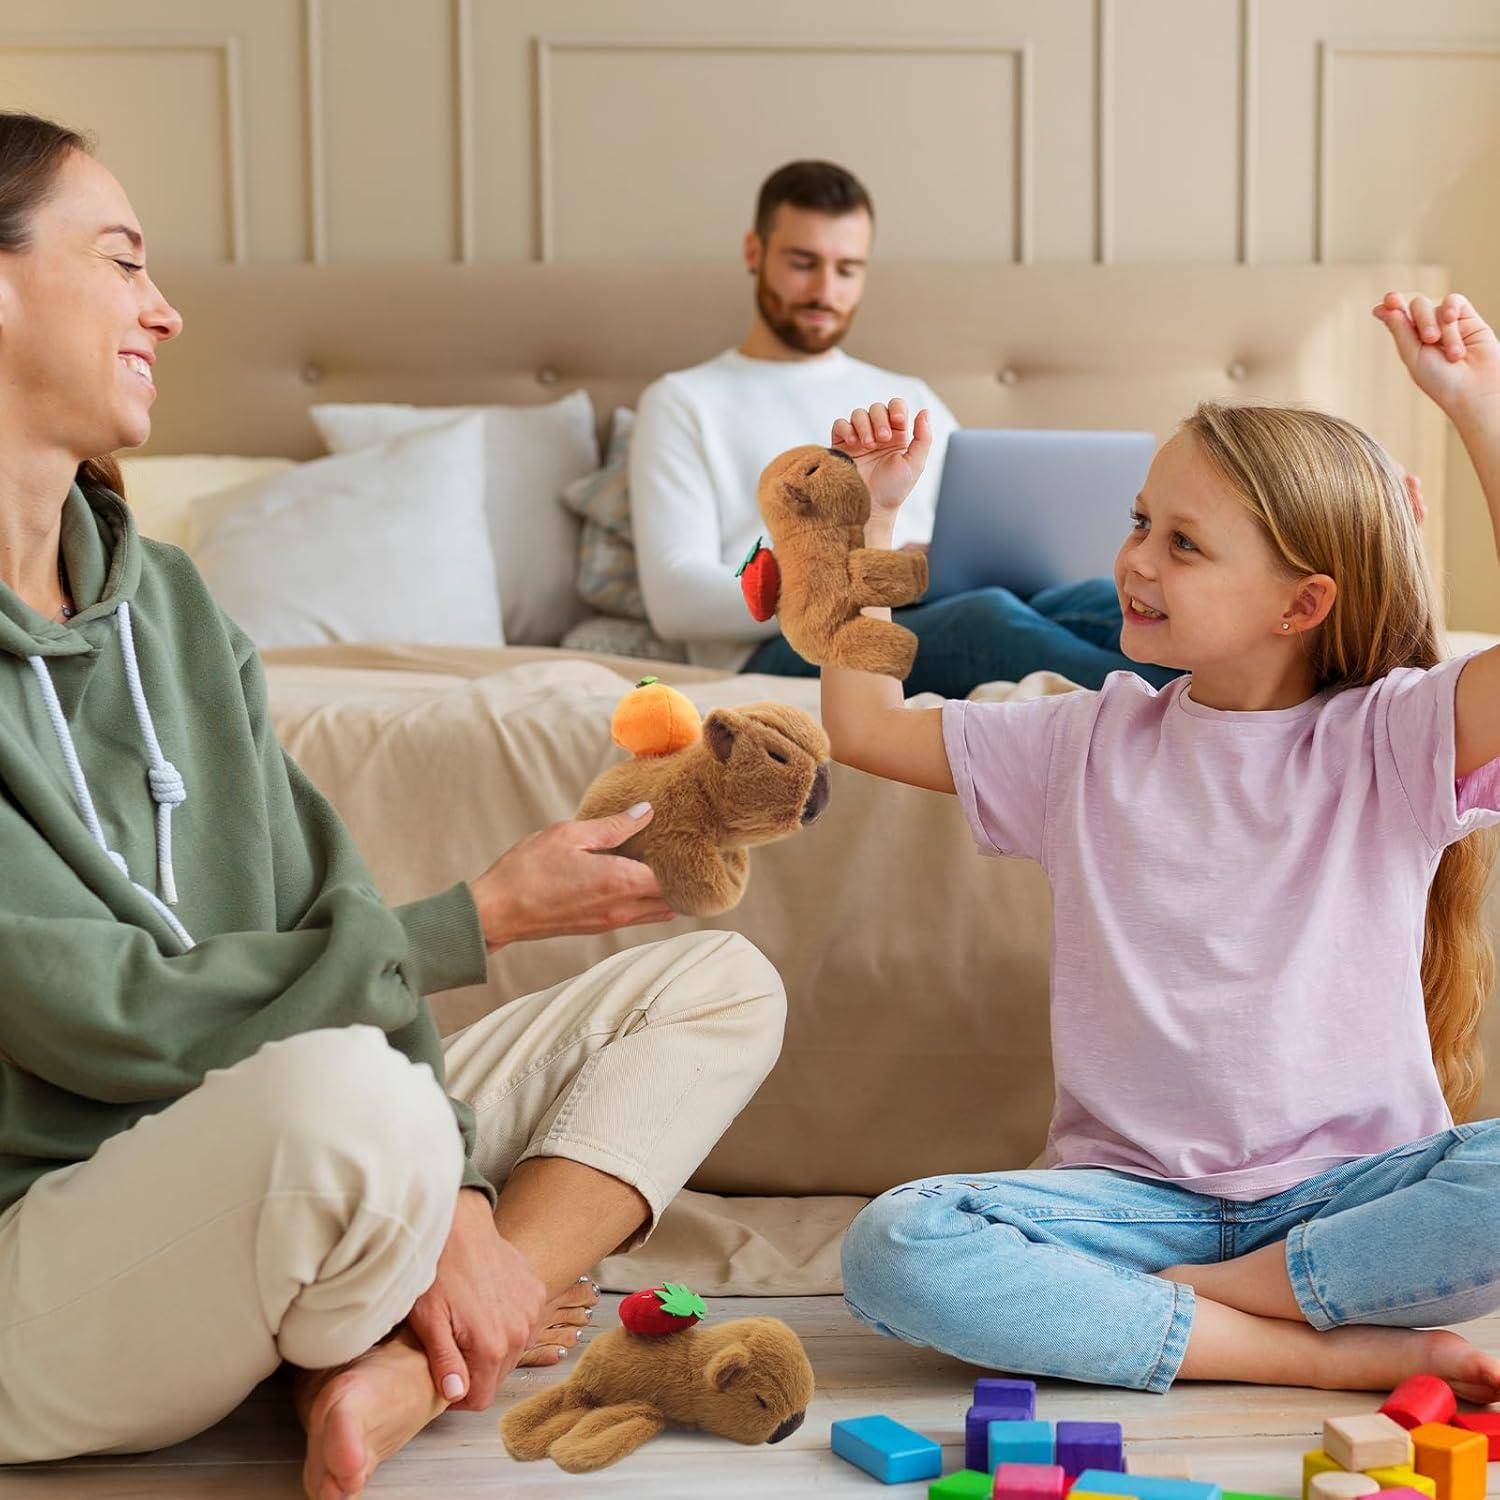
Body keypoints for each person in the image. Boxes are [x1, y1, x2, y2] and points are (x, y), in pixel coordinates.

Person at [0, 113, 787, 1500]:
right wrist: (474, 919)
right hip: (56, 1251)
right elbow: (90, 1009)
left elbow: (326, 909)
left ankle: (411, 1360)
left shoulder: (168, 605)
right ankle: (408, 1298)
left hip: (274, 1148)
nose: (166, 311)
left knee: (720, 985)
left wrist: (472, 1205)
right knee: (348, 1100)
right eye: (122, 262)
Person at [820, 290, 1500, 1397]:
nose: (1137, 561)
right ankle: (1307, 1354)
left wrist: (1480, 403)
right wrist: (874, 526)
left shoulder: (1390, 737)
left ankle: (1229, 1300)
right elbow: (860, 727)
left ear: (1301, 603)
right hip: (1137, 1209)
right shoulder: (1084, 740)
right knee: (897, 1245)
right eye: (1141, 523)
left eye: (1184, 544)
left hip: (1354, 1198)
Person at [630, 159, 1172, 695]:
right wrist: (873, 577)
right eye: (803, 263)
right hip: (792, 643)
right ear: (755, 251)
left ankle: (1237, 695)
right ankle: (1197, 712)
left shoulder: (906, 394)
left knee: (1096, 600)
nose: (825, 290)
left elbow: (974, 537)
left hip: (938, 599)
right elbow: (676, 601)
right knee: (985, 620)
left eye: (847, 269)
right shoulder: (683, 400)